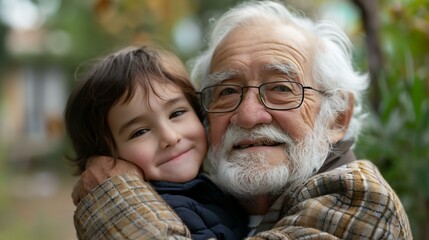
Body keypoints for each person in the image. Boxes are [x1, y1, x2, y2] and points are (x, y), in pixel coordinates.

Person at [71, 1, 412, 239]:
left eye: (281, 88)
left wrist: (114, 195)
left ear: (337, 116)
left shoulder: (362, 201)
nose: (248, 115)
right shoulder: (207, 198)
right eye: (227, 92)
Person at [64, 44, 248, 240]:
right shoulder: (167, 211)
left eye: (177, 113)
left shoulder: (214, 187)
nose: (170, 137)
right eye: (140, 132)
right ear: (106, 158)